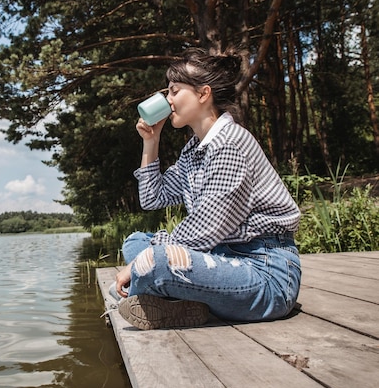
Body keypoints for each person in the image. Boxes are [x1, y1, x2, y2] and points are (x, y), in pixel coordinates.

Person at [112, 47, 301, 330]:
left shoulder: (229, 143)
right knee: (136, 241)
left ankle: (164, 294)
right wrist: (151, 142)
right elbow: (153, 198)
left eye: (175, 91)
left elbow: (207, 226)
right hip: (221, 257)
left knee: (154, 259)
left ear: (203, 94)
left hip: (266, 274)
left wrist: (143, 263)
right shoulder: (194, 150)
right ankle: (181, 301)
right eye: (168, 92)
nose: (168, 100)